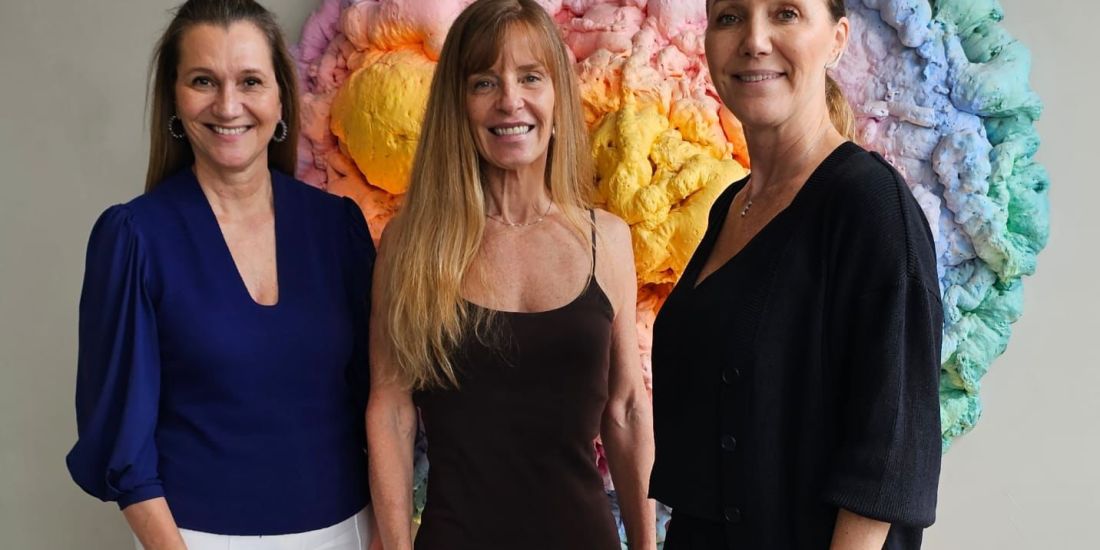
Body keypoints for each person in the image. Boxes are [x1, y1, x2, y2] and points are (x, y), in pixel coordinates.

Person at [65, 1, 376, 548]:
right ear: (174, 97)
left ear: (281, 97)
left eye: (250, 81)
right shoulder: (135, 239)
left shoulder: (339, 229)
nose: (228, 105)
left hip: (347, 531)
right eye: (203, 81)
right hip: (195, 538)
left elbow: (378, 402)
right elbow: (121, 442)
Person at [649, 0, 943, 548]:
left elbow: (888, 462)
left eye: (785, 13)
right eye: (730, 17)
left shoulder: (871, 207)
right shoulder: (732, 206)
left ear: (837, 39)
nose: (754, 40)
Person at [365, 1, 657, 549]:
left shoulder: (608, 240)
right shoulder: (410, 243)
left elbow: (626, 409)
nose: (510, 100)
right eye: (484, 82)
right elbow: (391, 411)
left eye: (530, 77)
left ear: (557, 96)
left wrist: (644, 546)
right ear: (458, 105)